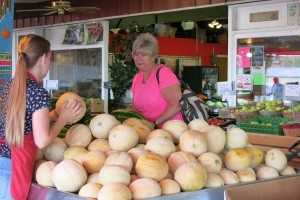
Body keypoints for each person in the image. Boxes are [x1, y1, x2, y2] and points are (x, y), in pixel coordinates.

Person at [0, 34, 82, 200]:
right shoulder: (38, 92)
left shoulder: (13, 84)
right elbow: (42, 141)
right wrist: (63, 119)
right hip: (14, 170)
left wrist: (50, 117)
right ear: (44, 58)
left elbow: (21, 119)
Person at [131, 33, 183, 129]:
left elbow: (177, 104)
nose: (139, 58)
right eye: (136, 54)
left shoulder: (164, 74)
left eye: (143, 54)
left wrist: (155, 123)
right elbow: (135, 108)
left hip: (170, 130)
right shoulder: (137, 78)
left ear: (153, 56)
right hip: (147, 130)